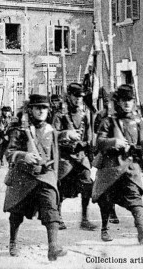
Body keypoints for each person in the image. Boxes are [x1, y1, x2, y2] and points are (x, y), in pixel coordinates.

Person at [3, 94, 66, 261]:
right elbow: (9, 153)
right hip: (24, 177)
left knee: (51, 208)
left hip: (45, 175)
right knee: (16, 213)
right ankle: (13, 242)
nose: (41, 111)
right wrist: (23, 155)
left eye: (44, 108)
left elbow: (55, 156)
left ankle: (53, 247)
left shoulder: (50, 131)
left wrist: (54, 176)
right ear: (30, 110)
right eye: (37, 107)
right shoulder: (21, 130)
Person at [92, 84, 143, 244]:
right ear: (118, 102)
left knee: (135, 196)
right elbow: (99, 141)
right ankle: (105, 228)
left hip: (130, 165)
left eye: (130, 100)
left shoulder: (138, 121)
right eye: (124, 100)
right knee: (105, 198)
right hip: (111, 166)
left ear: (134, 102)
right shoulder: (109, 121)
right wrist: (114, 141)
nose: (127, 103)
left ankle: (141, 229)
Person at [52, 82, 97, 231]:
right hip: (65, 157)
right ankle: (57, 217)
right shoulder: (60, 115)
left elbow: (90, 137)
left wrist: (89, 148)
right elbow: (52, 134)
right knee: (61, 187)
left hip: (81, 155)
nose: (78, 99)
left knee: (87, 186)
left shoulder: (84, 116)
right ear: (69, 96)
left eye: (81, 97)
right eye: (75, 96)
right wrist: (66, 134)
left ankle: (84, 218)